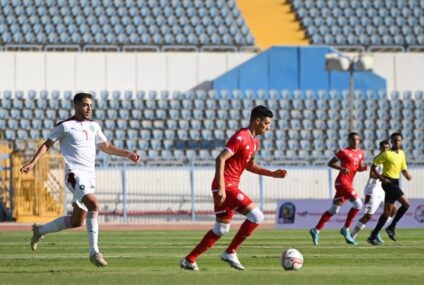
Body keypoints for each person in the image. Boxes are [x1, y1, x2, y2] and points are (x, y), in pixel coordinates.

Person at [20, 92, 140, 267]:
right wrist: (32, 163)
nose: (89, 108)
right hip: (74, 175)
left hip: (90, 176)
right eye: (85, 105)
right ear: (76, 106)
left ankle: (40, 230)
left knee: (77, 221)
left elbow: (105, 146)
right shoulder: (65, 126)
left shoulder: (94, 126)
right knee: (94, 205)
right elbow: (47, 144)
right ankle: (94, 252)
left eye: (90, 105)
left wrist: (127, 154)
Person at [180, 105, 287, 271]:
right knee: (257, 216)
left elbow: (250, 166)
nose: (268, 127)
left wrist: (272, 174)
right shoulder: (241, 137)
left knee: (221, 229)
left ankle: (190, 259)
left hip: (227, 186)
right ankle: (230, 251)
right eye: (266, 123)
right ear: (257, 121)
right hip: (226, 186)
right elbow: (220, 159)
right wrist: (222, 187)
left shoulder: (254, 143)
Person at [309, 132, 367, 246]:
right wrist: (341, 168)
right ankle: (346, 229)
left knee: (334, 210)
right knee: (358, 204)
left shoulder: (361, 153)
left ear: (359, 141)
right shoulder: (343, 151)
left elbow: (357, 167)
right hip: (342, 182)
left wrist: (363, 168)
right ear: (349, 140)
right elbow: (330, 163)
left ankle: (316, 230)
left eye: (357, 139)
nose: (355, 141)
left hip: (348, 183)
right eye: (352, 139)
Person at [367, 133, 412, 245]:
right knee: (406, 204)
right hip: (388, 182)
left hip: (395, 182)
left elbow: (403, 168)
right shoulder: (386, 154)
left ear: (401, 141)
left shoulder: (402, 154)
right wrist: (382, 178)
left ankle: (373, 236)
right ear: (391, 141)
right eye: (395, 140)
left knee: (387, 212)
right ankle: (391, 227)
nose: (397, 142)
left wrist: (407, 175)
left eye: (399, 140)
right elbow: (373, 168)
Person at [350, 140, 396, 244]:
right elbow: (372, 174)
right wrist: (383, 178)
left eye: (387, 148)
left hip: (383, 190)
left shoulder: (389, 160)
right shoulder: (377, 159)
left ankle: (376, 231)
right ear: (380, 148)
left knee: (393, 210)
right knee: (368, 216)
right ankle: (352, 236)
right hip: (373, 189)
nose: (385, 149)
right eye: (383, 147)